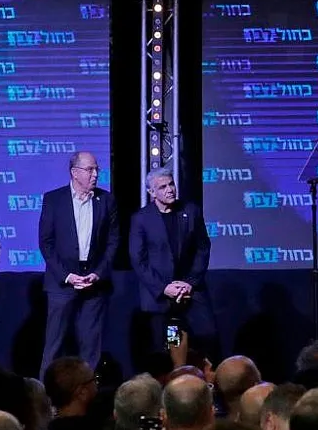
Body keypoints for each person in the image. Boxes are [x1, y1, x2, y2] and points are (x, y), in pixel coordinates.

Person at [38, 151, 119, 379]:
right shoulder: (54, 199)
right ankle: (45, 394)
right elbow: (46, 242)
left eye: (96, 169)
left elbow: (113, 241)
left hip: (94, 283)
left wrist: (98, 273)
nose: (95, 174)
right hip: (62, 283)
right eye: (89, 169)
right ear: (74, 172)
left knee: (91, 346)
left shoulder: (106, 200)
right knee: (54, 344)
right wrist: (67, 276)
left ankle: (86, 392)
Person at [129, 167, 217, 360]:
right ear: (152, 192)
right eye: (163, 187)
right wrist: (164, 288)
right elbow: (138, 259)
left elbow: (202, 248)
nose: (170, 189)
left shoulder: (191, 211)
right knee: (171, 342)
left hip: (190, 289)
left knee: (207, 335)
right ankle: (176, 373)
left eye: (171, 184)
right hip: (161, 294)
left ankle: (202, 374)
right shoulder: (141, 219)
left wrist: (190, 282)